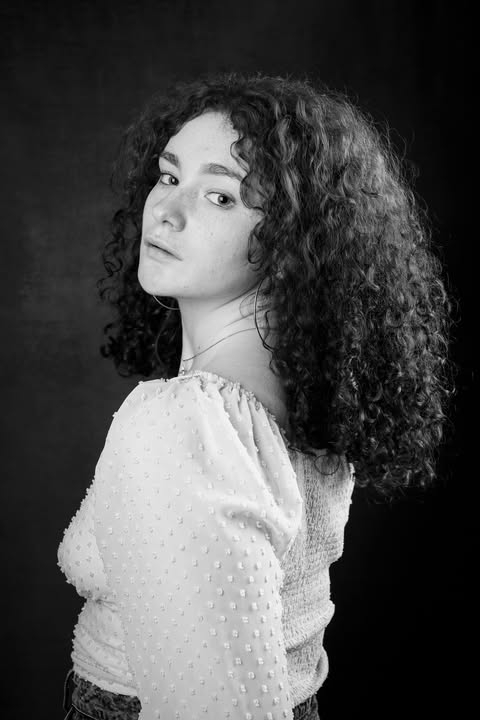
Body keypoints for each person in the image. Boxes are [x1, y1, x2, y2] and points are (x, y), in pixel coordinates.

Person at [57, 70, 457, 720]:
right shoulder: (307, 394)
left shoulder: (185, 424)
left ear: (291, 239)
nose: (165, 210)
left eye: (221, 197)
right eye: (168, 176)